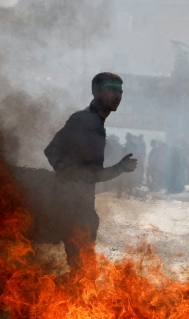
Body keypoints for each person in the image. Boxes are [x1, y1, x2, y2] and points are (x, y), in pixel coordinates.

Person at [44, 72, 138, 268]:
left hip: (79, 204)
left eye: (120, 91)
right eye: (111, 89)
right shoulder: (85, 121)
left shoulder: (94, 122)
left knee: (82, 268)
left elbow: (54, 152)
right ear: (96, 92)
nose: (118, 95)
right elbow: (88, 173)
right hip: (74, 207)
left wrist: (70, 176)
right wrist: (70, 178)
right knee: (82, 268)